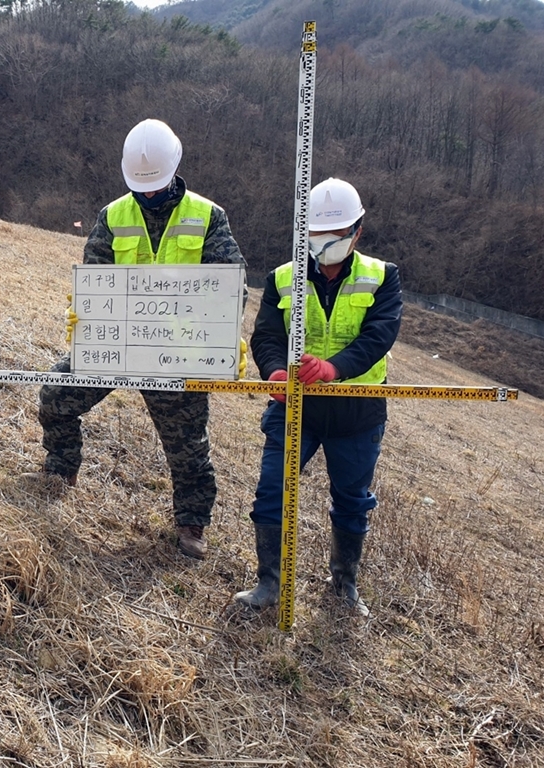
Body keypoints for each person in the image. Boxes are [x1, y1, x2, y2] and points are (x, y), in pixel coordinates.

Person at [25, 118, 247, 560]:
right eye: (141, 187)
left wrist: (218, 334)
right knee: (55, 395)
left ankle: (191, 522)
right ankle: (60, 470)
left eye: (155, 186)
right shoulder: (113, 216)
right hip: (116, 345)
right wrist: (85, 312)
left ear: (175, 168)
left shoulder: (208, 216)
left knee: (188, 448)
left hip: (177, 354)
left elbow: (231, 287)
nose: (148, 194)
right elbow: (96, 274)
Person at [233, 177, 402, 616]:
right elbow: (267, 336)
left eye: (335, 234)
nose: (324, 244)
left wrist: (333, 368)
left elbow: (378, 336)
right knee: (272, 490)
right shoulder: (282, 278)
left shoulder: (382, 277)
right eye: (316, 234)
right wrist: (274, 372)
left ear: (357, 231)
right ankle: (268, 583)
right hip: (295, 410)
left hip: (356, 413)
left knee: (352, 500)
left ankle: (345, 583)